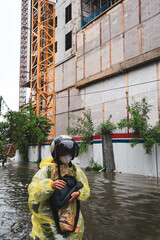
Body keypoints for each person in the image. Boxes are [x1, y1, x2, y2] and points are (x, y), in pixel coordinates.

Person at [28, 135, 90, 240]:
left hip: (70, 212)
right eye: (63, 152)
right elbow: (34, 191)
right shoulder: (47, 170)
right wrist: (50, 185)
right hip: (48, 213)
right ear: (55, 152)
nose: (67, 155)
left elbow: (85, 188)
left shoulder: (75, 170)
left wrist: (79, 193)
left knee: (75, 235)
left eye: (70, 152)